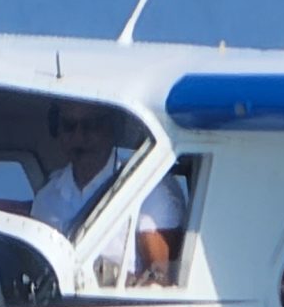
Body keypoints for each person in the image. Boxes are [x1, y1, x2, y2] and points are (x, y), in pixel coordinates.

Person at [32, 104, 188, 286]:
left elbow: (160, 281)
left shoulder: (148, 189)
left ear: (114, 129)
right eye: (69, 126)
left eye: (91, 126)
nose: (79, 137)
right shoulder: (45, 200)